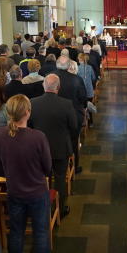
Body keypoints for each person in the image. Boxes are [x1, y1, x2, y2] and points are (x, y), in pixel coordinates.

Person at [0, 94, 55, 253]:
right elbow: (47, 167)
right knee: (41, 233)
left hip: (14, 191)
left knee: (17, 232)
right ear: (27, 112)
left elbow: (0, 160)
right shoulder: (38, 137)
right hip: (36, 192)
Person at [30, 75, 77, 217]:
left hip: (39, 149)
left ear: (44, 86)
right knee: (60, 179)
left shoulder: (33, 103)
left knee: (41, 178)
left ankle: (41, 209)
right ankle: (60, 209)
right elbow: (74, 127)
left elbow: (30, 126)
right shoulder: (67, 104)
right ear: (58, 87)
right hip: (60, 149)